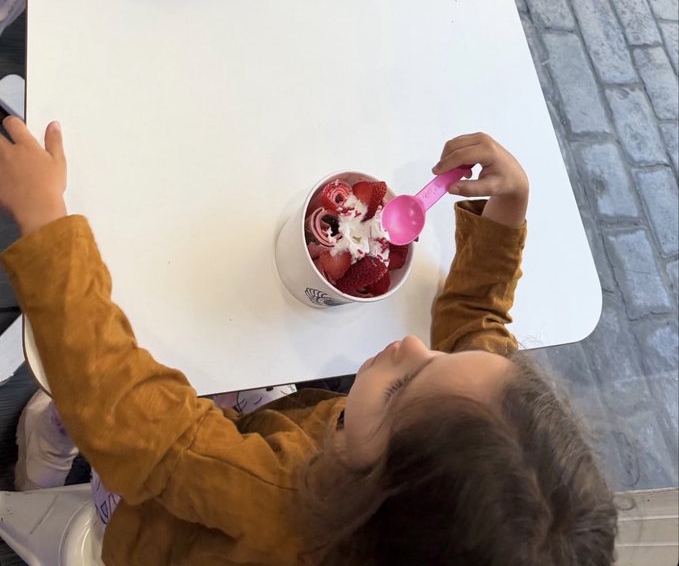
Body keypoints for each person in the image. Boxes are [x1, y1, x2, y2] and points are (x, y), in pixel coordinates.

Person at [0, 117, 617, 565]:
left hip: (153, 525)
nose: (409, 344)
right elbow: (478, 328)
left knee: (101, 422)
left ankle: (46, 468)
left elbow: (143, 431)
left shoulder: (281, 502)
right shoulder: (463, 446)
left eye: (403, 387)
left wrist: (47, 222)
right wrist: (508, 210)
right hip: (276, 434)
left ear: (368, 495)